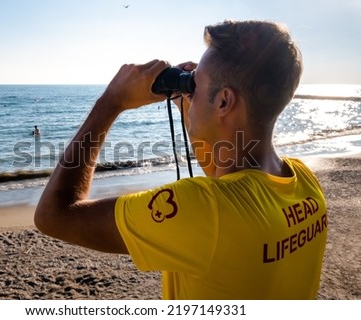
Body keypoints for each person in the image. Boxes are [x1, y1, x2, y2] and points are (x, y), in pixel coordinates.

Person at [34, 20, 328, 299]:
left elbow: (54, 216)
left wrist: (110, 102)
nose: (189, 89)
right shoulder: (303, 181)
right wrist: (193, 104)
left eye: (195, 83)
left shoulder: (202, 209)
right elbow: (224, 178)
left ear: (224, 101)